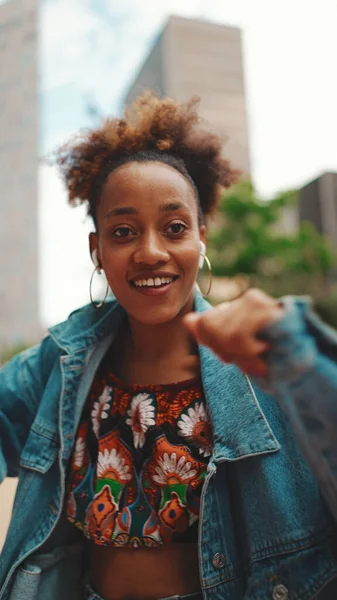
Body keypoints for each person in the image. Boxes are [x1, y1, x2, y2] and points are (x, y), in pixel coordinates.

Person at [1, 93, 337, 600]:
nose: (151, 252)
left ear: (200, 237)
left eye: (175, 228)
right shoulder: (61, 361)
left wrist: (297, 355)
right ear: (98, 250)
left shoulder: (257, 359)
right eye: (123, 231)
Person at [185, 289, 337, 524]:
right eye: (120, 247)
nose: (151, 254)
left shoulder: (269, 371)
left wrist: (290, 351)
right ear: (102, 256)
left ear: (203, 248)